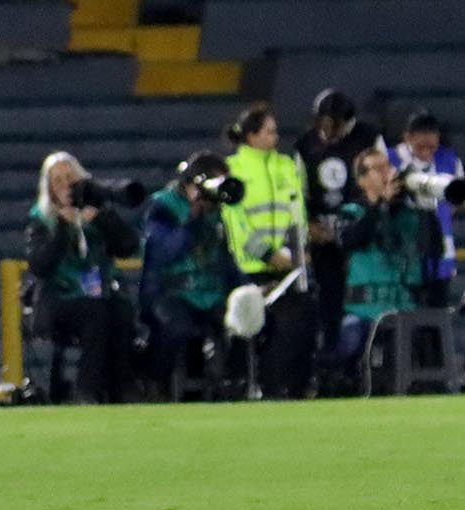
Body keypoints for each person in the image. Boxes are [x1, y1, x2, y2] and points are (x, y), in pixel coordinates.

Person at [24, 152, 140, 404]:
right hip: (59, 299)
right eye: (58, 181)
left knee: (120, 311)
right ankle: (86, 391)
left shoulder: (97, 212)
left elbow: (128, 246)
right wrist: (64, 228)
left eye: (70, 177)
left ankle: (123, 388)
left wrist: (101, 219)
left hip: (100, 295)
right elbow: (40, 266)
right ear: (50, 189)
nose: (66, 185)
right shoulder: (41, 220)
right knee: (95, 313)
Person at [220, 105, 318, 398]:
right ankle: (246, 383)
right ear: (251, 136)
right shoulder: (233, 170)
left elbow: (297, 213)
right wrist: (266, 254)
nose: (276, 136)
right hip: (250, 266)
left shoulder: (286, 165)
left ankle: (286, 386)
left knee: (302, 321)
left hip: (288, 266)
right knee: (255, 326)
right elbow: (235, 222)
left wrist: (299, 252)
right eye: (270, 131)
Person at [139, 152, 246, 393]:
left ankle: (231, 382)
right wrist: (191, 219)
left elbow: (224, 257)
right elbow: (165, 252)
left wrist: (245, 287)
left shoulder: (217, 213)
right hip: (170, 293)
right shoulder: (162, 207)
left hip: (211, 294)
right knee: (177, 329)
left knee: (248, 322)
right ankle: (154, 379)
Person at [294, 89, 385, 357]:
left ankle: (368, 359)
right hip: (323, 236)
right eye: (325, 125)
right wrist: (308, 224)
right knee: (329, 301)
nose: (330, 133)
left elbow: (380, 179)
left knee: (362, 299)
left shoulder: (368, 138)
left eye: (336, 126)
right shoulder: (305, 145)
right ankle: (332, 364)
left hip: (360, 231)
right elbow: (298, 193)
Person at [334, 148, 425, 382]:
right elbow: (351, 239)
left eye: (388, 166)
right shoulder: (350, 211)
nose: (388, 173)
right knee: (350, 347)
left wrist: (419, 201)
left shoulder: (405, 212)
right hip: (362, 310)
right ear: (362, 179)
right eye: (379, 168)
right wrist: (380, 205)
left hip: (400, 306)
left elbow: (429, 245)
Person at [386, 112, 463, 308]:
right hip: (404, 245)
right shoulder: (390, 159)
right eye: (421, 146)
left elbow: (456, 200)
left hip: (440, 243)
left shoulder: (449, 160)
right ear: (407, 138)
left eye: (432, 146)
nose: (427, 151)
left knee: (438, 306)